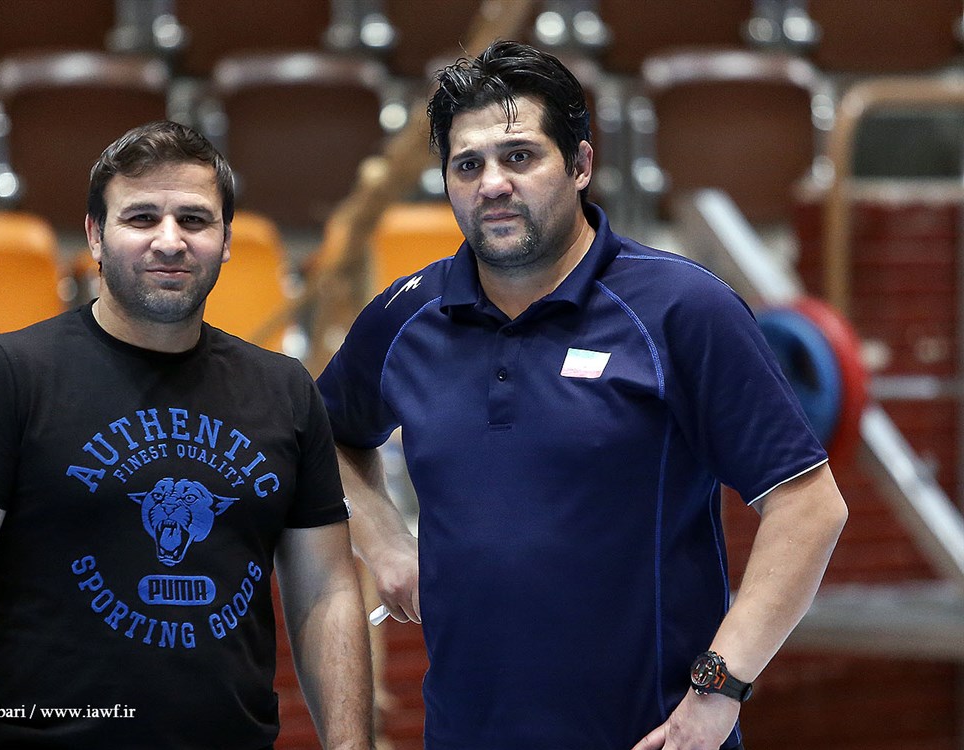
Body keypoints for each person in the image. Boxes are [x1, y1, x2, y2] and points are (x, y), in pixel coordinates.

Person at [316, 40, 848, 750]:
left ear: (581, 164)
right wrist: (383, 541)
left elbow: (808, 507)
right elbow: (323, 436)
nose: (493, 184)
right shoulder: (406, 316)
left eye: (520, 156)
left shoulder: (681, 309)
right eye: (468, 165)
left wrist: (719, 689)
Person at [0, 120, 374, 750]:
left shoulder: (285, 390)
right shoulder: (6, 375)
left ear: (226, 241)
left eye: (195, 220)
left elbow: (328, 590)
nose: (170, 241)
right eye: (142, 218)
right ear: (95, 235)